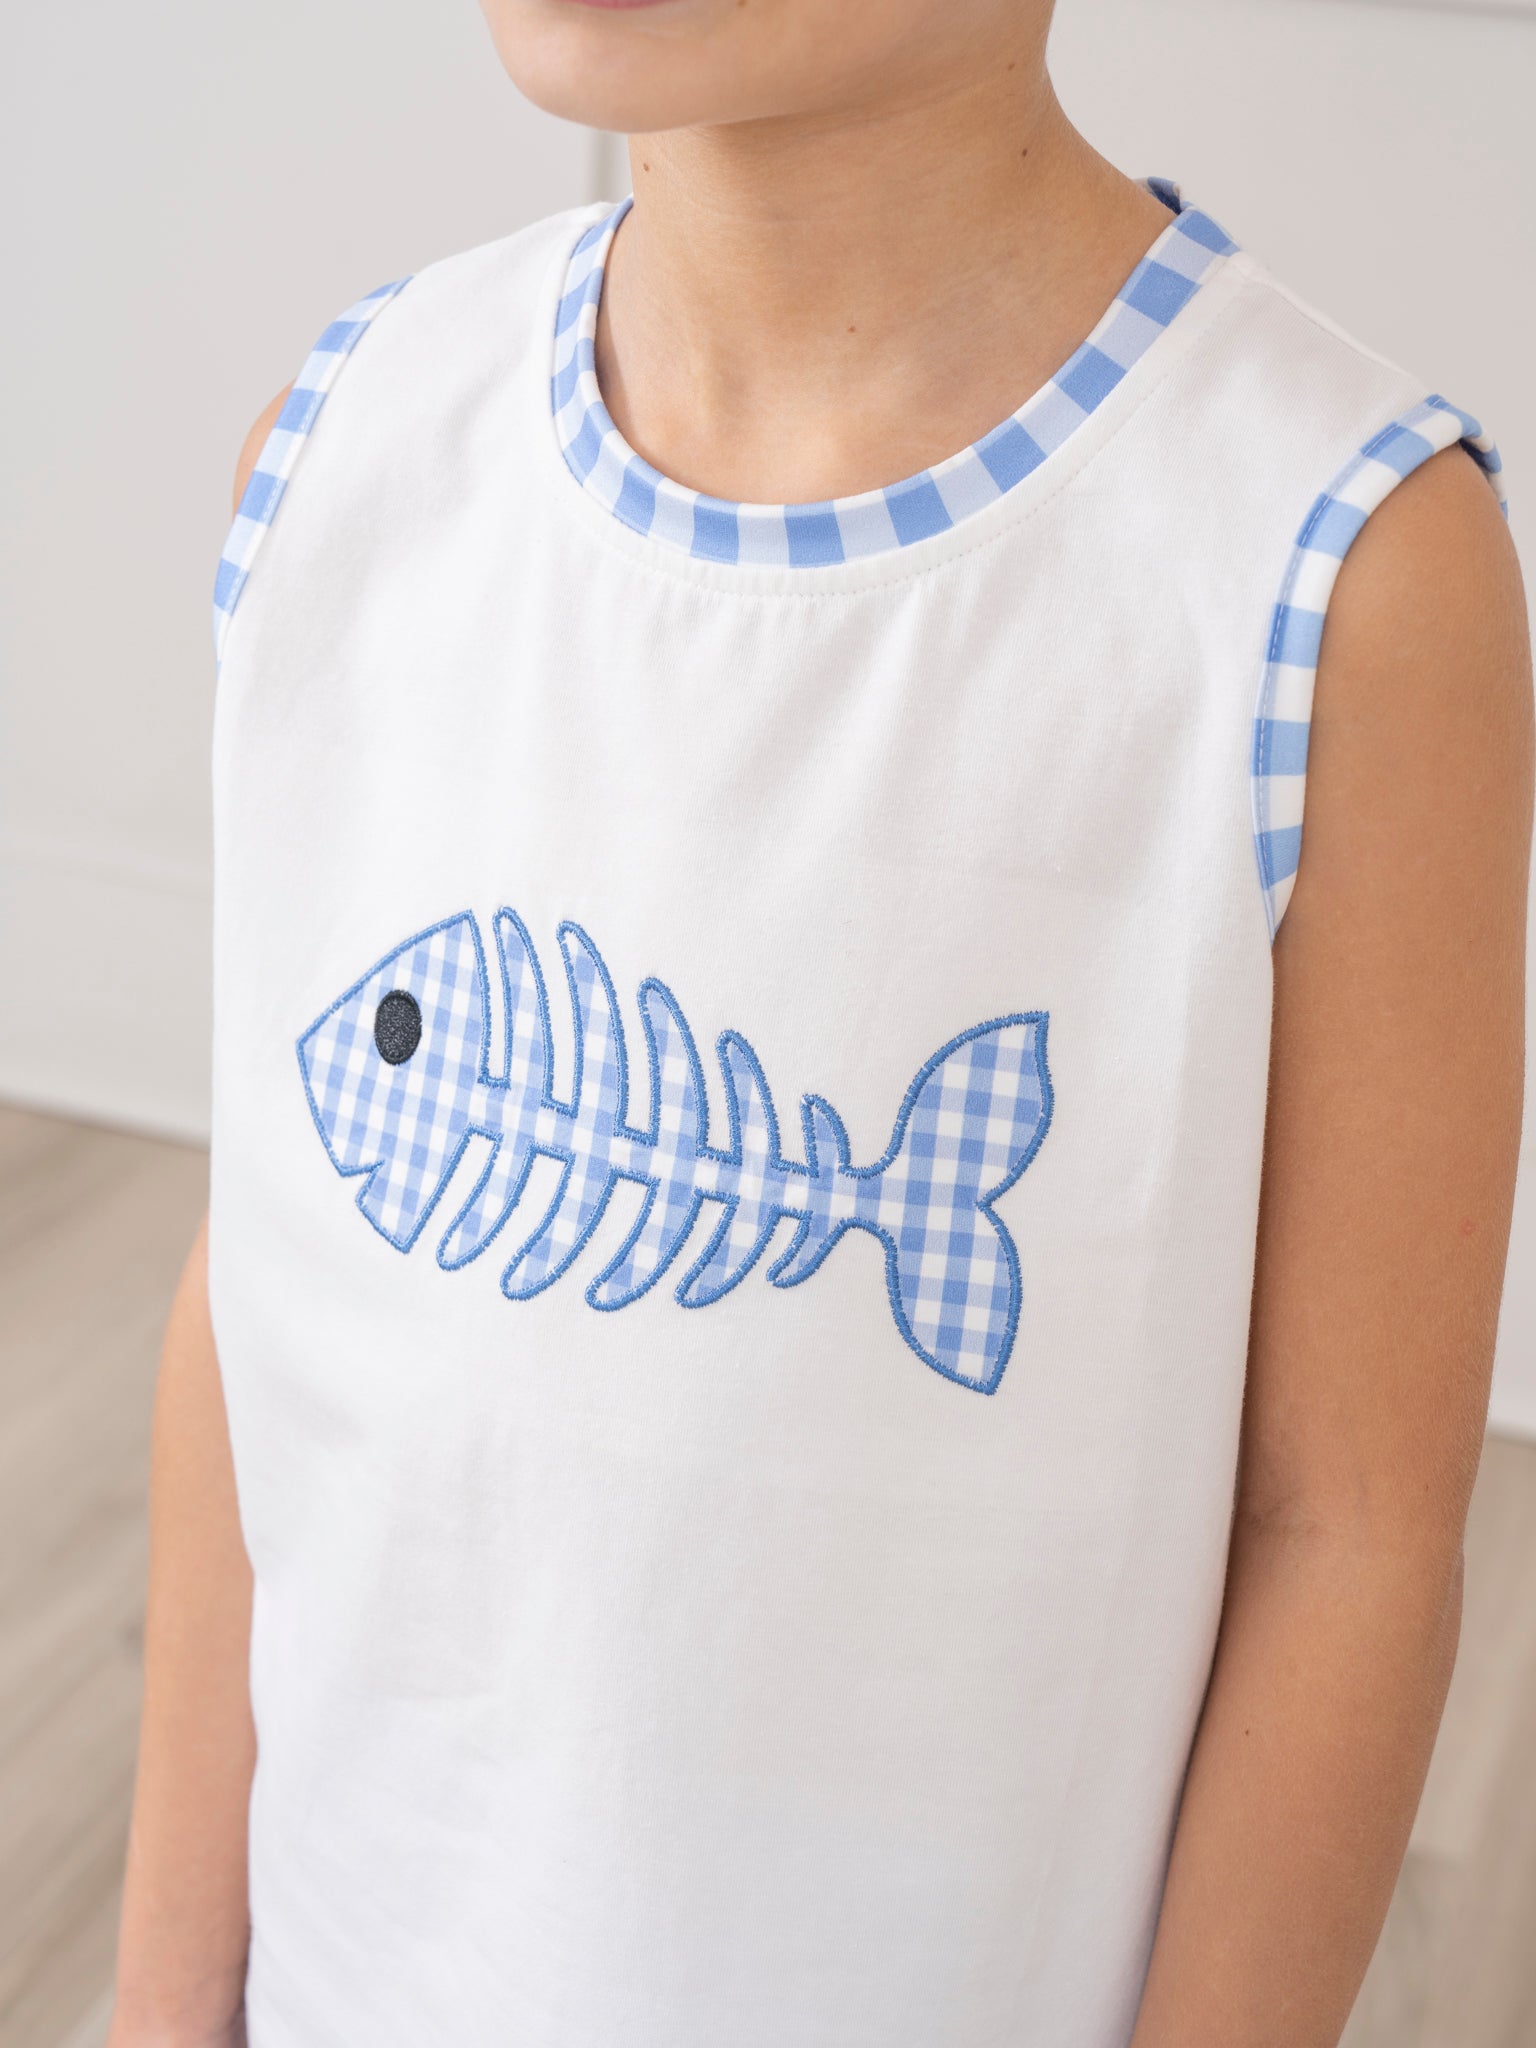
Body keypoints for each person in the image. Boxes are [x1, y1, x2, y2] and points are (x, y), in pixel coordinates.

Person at [107, 2, 1532, 2044]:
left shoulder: (1338, 571)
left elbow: (1349, 1532)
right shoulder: (340, 451)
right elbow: (253, 1300)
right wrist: (169, 2001)